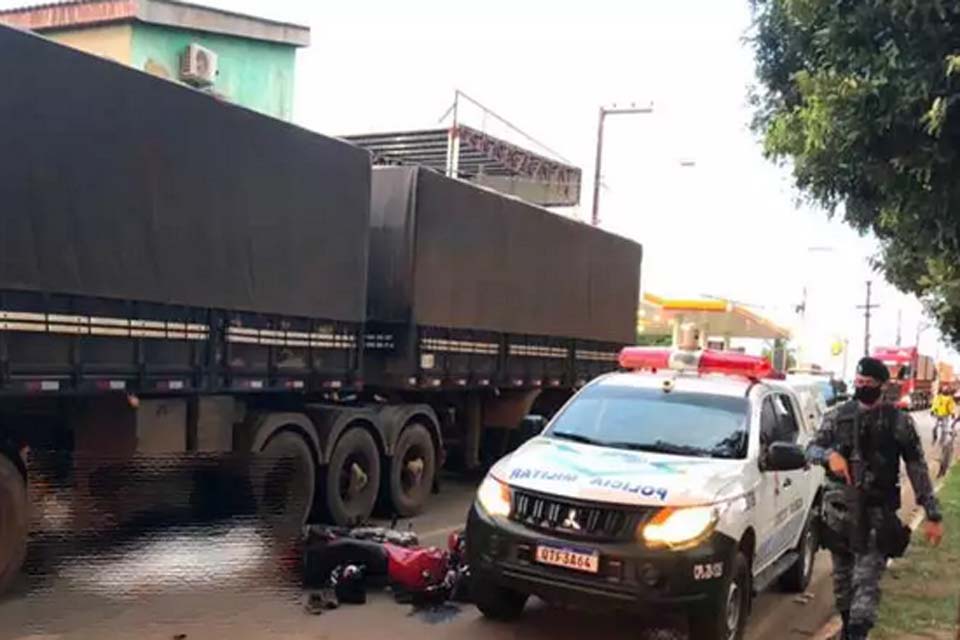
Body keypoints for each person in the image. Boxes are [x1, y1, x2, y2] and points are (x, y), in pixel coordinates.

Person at [807, 357, 945, 640]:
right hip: (839, 516)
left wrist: (932, 514)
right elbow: (811, 448)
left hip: (875, 517)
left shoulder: (898, 422)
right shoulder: (837, 416)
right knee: (843, 591)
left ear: (882, 386)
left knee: (864, 595)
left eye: (868, 384)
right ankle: (849, 630)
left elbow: (916, 467)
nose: (862, 388)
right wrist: (828, 455)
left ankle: (856, 632)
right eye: (858, 383)